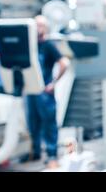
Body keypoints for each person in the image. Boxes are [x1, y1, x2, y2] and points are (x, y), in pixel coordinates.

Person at [24, 15, 70, 169]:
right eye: (36, 25)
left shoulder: (49, 46)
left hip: (45, 93)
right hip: (30, 92)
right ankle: (35, 153)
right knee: (33, 124)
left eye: (41, 26)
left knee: (49, 125)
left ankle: (52, 156)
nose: (38, 28)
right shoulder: (29, 46)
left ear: (46, 28)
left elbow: (64, 63)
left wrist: (53, 83)